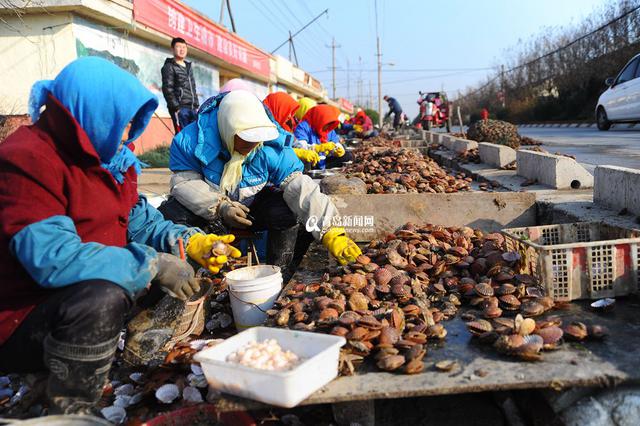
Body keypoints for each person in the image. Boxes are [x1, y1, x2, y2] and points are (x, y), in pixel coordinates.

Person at [0, 57, 237, 414]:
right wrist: (152, 264)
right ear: (90, 112)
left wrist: (193, 242)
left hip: (69, 302)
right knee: (105, 294)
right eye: (122, 120)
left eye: (132, 121)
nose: (128, 132)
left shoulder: (110, 160)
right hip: (21, 318)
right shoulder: (28, 160)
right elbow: (52, 258)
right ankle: (68, 408)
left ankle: (129, 353)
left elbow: (141, 223)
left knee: (171, 269)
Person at [158, 90, 361, 282]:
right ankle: (183, 279)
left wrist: (331, 230)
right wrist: (220, 206)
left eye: (257, 138)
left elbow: (299, 185)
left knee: (285, 212)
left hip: (251, 208)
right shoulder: (190, 142)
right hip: (210, 212)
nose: (253, 144)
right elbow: (184, 183)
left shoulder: (269, 145)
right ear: (229, 129)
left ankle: (278, 272)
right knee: (171, 213)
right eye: (246, 138)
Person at [263, 92, 319, 167]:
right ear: (277, 108)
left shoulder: (285, 126)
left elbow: (295, 144)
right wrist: (296, 152)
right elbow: (268, 151)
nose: (290, 117)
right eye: (286, 111)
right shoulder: (264, 126)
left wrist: (314, 148)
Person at [293, 104, 353, 169]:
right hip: (311, 161)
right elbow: (300, 147)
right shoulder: (304, 127)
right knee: (307, 162)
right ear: (320, 118)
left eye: (330, 123)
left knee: (347, 155)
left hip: (323, 160)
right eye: (327, 122)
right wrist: (318, 148)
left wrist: (338, 150)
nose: (328, 126)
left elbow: (335, 142)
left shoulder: (329, 129)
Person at [161, 37, 200, 133]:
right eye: (178, 47)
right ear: (173, 49)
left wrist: (196, 105)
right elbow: (167, 89)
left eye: (184, 47)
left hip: (193, 108)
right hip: (180, 109)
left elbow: (192, 88)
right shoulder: (169, 67)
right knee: (183, 136)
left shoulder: (188, 67)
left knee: (194, 136)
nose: (182, 49)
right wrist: (176, 108)